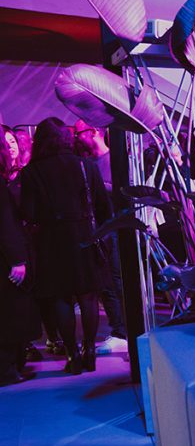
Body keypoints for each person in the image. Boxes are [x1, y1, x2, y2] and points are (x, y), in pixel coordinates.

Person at [19, 118, 113, 374]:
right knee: (88, 296)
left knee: (61, 298)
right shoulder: (85, 166)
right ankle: (90, 350)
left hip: (51, 240)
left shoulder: (31, 172)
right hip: (85, 235)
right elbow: (103, 206)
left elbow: (29, 213)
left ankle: (72, 354)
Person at [73, 120, 127, 355]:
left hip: (114, 229)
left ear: (93, 132)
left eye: (79, 133)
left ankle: (122, 332)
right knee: (106, 283)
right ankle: (118, 329)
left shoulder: (114, 159)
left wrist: (96, 185)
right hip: (97, 230)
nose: (76, 137)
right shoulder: (86, 163)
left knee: (116, 280)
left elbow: (124, 191)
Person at [0, 138, 35, 386]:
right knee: (11, 314)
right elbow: (6, 225)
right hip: (5, 258)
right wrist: (17, 259)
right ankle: (7, 370)